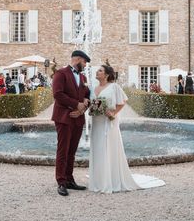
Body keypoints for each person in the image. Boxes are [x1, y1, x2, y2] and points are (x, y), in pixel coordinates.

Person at [88, 64, 165, 193]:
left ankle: (111, 180)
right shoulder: (94, 88)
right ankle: (99, 180)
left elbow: (122, 102)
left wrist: (113, 113)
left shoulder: (114, 87)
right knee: (98, 148)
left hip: (108, 122)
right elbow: (93, 104)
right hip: (96, 122)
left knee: (108, 148)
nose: (97, 72)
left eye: (100, 70)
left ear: (106, 74)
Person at [52, 50, 91, 197]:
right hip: (64, 117)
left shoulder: (83, 77)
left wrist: (82, 110)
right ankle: (61, 182)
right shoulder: (60, 74)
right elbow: (58, 94)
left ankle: (69, 179)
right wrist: (76, 105)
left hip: (78, 118)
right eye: (84, 62)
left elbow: (87, 96)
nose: (85, 65)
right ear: (78, 59)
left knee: (72, 151)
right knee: (63, 150)